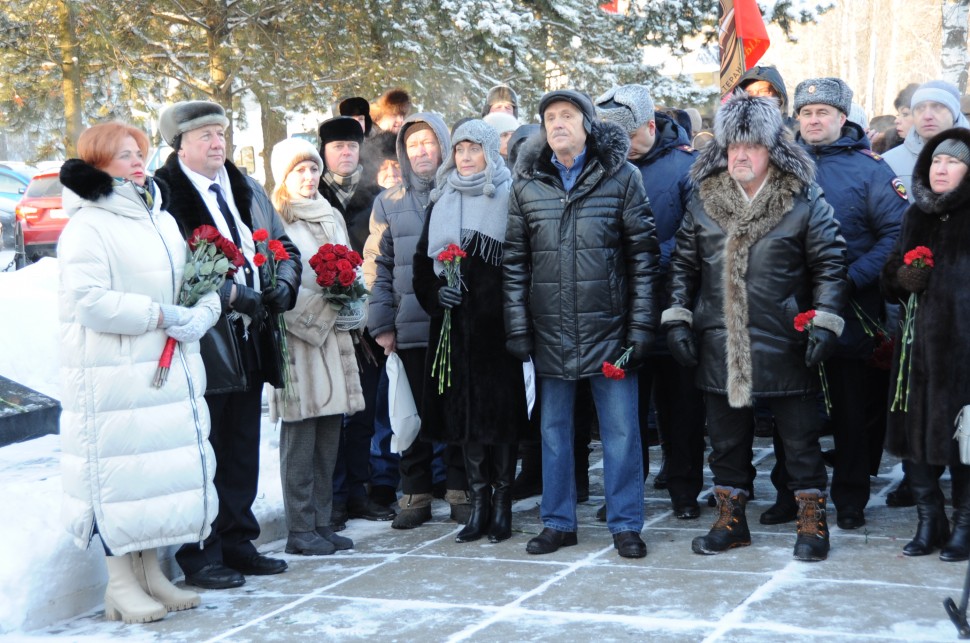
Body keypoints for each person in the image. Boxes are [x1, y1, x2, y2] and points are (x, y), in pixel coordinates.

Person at [663, 92, 848, 562]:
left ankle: (811, 521)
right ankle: (731, 520)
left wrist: (824, 322)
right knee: (725, 441)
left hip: (786, 336)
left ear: (773, 150)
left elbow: (829, 263)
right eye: (733, 146)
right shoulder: (704, 201)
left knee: (801, 439)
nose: (741, 155)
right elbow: (683, 265)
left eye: (753, 146)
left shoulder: (802, 199)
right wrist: (679, 318)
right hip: (719, 337)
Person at [58, 122, 220, 623]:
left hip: (160, 370)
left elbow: (188, 281)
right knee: (119, 476)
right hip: (112, 376)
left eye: (139, 152)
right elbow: (89, 302)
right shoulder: (89, 224)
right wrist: (161, 315)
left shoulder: (158, 217)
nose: (137, 162)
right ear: (98, 166)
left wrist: (202, 308)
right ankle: (120, 584)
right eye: (123, 155)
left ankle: (150, 573)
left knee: (148, 479)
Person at [503, 89, 660, 559]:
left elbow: (644, 259)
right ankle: (558, 522)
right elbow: (515, 261)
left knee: (621, 432)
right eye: (550, 117)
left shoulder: (623, 176)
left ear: (587, 124)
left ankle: (626, 524)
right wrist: (517, 327)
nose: (557, 124)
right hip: (550, 331)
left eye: (567, 115)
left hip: (610, 331)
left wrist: (639, 330)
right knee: (553, 433)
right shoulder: (526, 182)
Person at [156, 101, 301, 589]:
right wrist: (235, 295)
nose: (218, 144)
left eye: (220, 134)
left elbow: (283, 245)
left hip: (251, 337)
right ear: (180, 146)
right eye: (205, 137)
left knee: (241, 444)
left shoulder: (246, 188)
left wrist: (283, 283)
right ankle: (201, 552)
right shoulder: (165, 196)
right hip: (205, 343)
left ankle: (238, 540)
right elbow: (173, 270)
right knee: (205, 448)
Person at [767, 77, 905, 531]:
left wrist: (851, 279)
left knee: (849, 408)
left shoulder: (871, 170)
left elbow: (893, 234)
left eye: (822, 113)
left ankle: (850, 497)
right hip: (789, 306)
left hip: (850, 307)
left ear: (842, 119)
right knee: (791, 404)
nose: (813, 120)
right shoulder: (779, 165)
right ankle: (790, 493)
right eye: (806, 113)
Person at [413, 119, 530, 543]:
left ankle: (502, 507)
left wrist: (512, 314)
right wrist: (434, 294)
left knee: (499, 422)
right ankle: (477, 506)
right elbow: (420, 267)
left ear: (489, 153)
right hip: (454, 330)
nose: (464, 157)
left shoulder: (507, 195)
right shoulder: (440, 199)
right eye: (459, 149)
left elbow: (522, 262)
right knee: (464, 422)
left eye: (473, 149)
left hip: (496, 330)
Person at [595, 84, 705, 520]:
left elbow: (696, 235)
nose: (617, 146)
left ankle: (683, 490)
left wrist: (640, 256)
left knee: (681, 410)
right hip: (619, 313)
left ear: (648, 125)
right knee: (624, 414)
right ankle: (624, 493)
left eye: (625, 136)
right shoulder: (603, 168)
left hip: (674, 307)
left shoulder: (688, 167)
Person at [364, 112, 468, 529]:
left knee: (456, 410)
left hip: (454, 326)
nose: (421, 151)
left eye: (428, 142)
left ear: (443, 145)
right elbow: (378, 266)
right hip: (407, 326)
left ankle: (460, 487)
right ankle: (416, 491)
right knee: (410, 412)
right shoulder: (388, 201)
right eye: (412, 145)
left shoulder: (459, 193)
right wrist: (381, 324)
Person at [267, 138, 363, 556]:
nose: (308, 178)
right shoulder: (277, 221)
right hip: (299, 343)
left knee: (328, 435)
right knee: (301, 437)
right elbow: (276, 287)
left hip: (334, 340)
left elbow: (350, 269)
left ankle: (322, 521)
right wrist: (324, 311)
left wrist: (353, 306)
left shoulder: (330, 215)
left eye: (311, 169)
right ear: (283, 178)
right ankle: (300, 527)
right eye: (298, 171)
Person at [881, 129, 970, 562]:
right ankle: (929, 519)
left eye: (952, 162)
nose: (941, 168)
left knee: (965, 442)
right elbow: (891, 274)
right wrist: (903, 277)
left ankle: (964, 526)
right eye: (936, 161)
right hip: (916, 353)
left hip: (963, 353)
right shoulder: (916, 214)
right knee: (916, 438)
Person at [316, 116, 396, 523]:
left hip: (365, 319)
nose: (345, 153)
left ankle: (359, 490)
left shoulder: (379, 197)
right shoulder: (313, 196)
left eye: (351, 146)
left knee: (364, 408)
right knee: (335, 411)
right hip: (322, 320)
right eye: (336, 147)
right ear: (323, 152)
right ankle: (331, 494)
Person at [883, 80, 970, 198]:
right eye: (920, 108)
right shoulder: (887, 163)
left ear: (954, 113)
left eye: (937, 107)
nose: (927, 116)